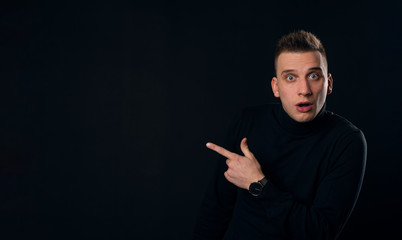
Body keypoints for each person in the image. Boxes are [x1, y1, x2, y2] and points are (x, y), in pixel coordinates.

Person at [193, 30, 367, 240]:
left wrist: (258, 184)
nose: (304, 90)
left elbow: (320, 232)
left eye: (313, 76)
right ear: (276, 87)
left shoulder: (347, 141)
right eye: (291, 77)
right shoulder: (248, 121)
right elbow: (215, 210)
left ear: (328, 83)